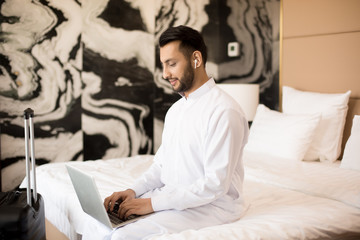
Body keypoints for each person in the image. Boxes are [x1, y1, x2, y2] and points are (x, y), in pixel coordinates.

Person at [83, 25, 249, 240]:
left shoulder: (225, 111)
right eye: (163, 65)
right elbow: (161, 166)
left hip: (212, 206)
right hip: (173, 197)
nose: (165, 74)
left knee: (122, 236)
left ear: (196, 59)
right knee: (97, 222)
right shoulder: (176, 110)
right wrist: (133, 191)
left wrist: (151, 204)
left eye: (172, 64)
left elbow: (215, 185)